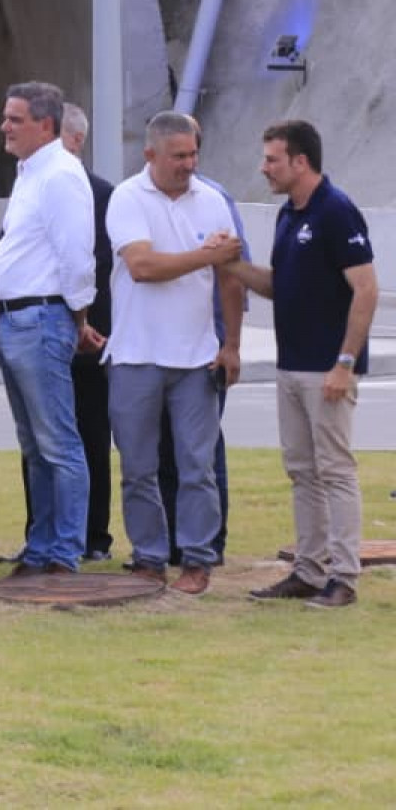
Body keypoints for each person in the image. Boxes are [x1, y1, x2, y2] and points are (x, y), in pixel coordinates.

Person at [225, 119, 377, 608]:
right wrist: (229, 264)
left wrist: (344, 363)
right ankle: (308, 571)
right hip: (290, 365)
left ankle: (344, 577)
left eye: (272, 159)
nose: (263, 168)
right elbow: (278, 285)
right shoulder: (290, 215)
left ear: (300, 162)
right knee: (301, 470)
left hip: (327, 368)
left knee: (334, 470)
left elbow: (366, 290)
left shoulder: (336, 212)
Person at [100, 112, 243, 595]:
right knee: (138, 467)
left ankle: (198, 560)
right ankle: (148, 558)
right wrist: (207, 256)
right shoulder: (127, 197)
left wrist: (232, 345)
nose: (189, 164)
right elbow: (141, 265)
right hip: (135, 355)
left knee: (196, 467)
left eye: (193, 154)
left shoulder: (214, 200)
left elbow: (230, 280)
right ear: (150, 156)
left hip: (197, 358)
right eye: (179, 156)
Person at [0, 81, 99, 587]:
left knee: (58, 443)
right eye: (6, 117)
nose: (4, 127)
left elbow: (77, 255)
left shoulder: (60, 177)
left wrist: (78, 318)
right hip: (15, 318)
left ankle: (64, 554)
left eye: (15, 119)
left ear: (45, 125)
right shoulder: (31, 173)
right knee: (35, 445)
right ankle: (42, 545)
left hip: (41, 318)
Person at [60, 103, 116, 562]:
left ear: (76, 140)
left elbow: (99, 265)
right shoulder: (32, 185)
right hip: (44, 334)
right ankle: (44, 532)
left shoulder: (101, 194)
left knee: (90, 433)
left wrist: (86, 323)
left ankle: (94, 535)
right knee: (40, 439)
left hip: (90, 333)